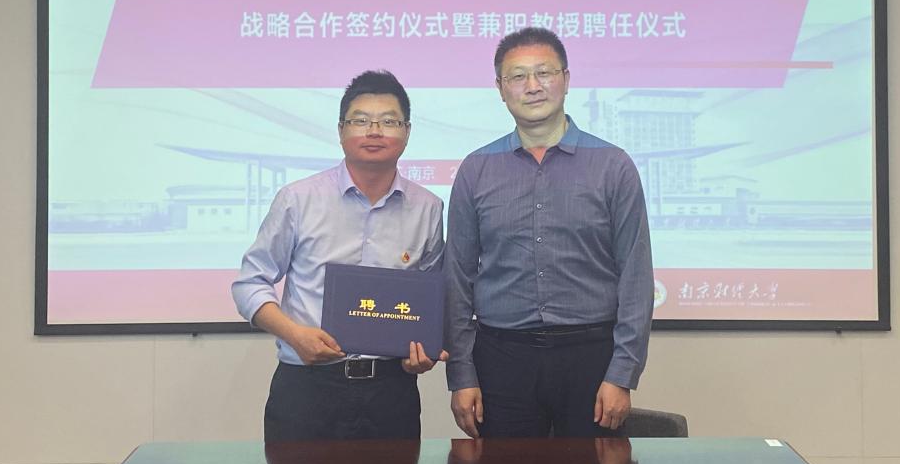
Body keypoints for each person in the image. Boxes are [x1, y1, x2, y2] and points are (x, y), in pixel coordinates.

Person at [444, 27, 654, 439]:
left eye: (544, 72)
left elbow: (636, 275)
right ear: (500, 89)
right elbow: (457, 277)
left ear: (566, 79)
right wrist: (461, 374)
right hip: (502, 358)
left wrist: (622, 372)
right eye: (518, 76)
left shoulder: (613, 166)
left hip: (591, 356)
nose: (533, 86)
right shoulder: (476, 170)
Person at [232, 70, 446, 441]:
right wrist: (295, 334)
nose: (375, 131)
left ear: (407, 132)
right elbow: (250, 283)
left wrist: (422, 350)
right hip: (306, 387)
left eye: (389, 121)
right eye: (361, 121)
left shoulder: (428, 207)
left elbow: (428, 299)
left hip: (391, 392)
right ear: (341, 130)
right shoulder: (298, 199)